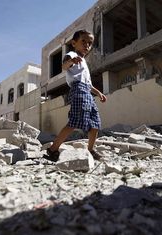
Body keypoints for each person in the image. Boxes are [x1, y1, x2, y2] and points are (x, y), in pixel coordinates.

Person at [45, 29, 107, 162]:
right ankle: (53, 149)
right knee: (75, 121)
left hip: (87, 91)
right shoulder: (71, 54)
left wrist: (99, 93)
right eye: (83, 41)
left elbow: (89, 84)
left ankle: (90, 150)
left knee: (95, 123)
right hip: (78, 90)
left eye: (89, 43)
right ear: (74, 43)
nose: (87, 45)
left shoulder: (84, 62)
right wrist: (72, 61)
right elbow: (64, 66)